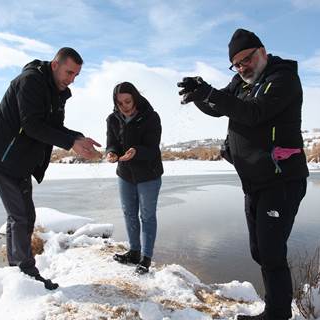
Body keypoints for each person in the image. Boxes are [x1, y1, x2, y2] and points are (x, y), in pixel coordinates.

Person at [177, 29, 309, 320]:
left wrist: (209, 92)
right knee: (259, 250)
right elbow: (217, 107)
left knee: (272, 251)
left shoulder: (283, 78)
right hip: (254, 181)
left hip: (282, 179)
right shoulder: (241, 81)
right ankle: (275, 307)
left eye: (246, 60)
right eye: (236, 64)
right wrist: (199, 92)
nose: (242, 67)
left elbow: (253, 113)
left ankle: (277, 314)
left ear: (262, 51)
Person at [0, 47, 101, 290]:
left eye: (76, 75)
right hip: (3, 158)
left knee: (22, 216)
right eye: (69, 72)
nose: (71, 79)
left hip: (20, 161)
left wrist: (77, 137)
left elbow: (54, 126)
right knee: (21, 216)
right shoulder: (31, 81)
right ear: (55, 65)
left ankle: (18, 273)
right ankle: (26, 274)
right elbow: (32, 125)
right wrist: (70, 143)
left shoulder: (57, 91)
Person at [106, 82, 163, 275]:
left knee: (147, 216)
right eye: (120, 103)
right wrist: (111, 153)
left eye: (128, 101)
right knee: (129, 213)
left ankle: (146, 259)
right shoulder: (112, 119)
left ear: (135, 98)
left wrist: (136, 151)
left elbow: (153, 148)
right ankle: (134, 252)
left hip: (149, 174)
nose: (124, 106)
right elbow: (111, 144)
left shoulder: (151, 117)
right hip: (125, 174)